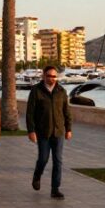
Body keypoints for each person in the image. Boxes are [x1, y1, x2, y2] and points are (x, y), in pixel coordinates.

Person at [26, 66, 73, 199]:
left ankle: (55, 189)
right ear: (44, 76)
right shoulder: (36, 90)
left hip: (58, 132)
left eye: (54, 76)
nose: (51, 78)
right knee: (43, 158)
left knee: (58, 161)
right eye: (49, 76)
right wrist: (31, 131)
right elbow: (30, 113)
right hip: (43, 132)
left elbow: (67, 112)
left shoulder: (61, 91)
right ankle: (37, 175)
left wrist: (68, 129)